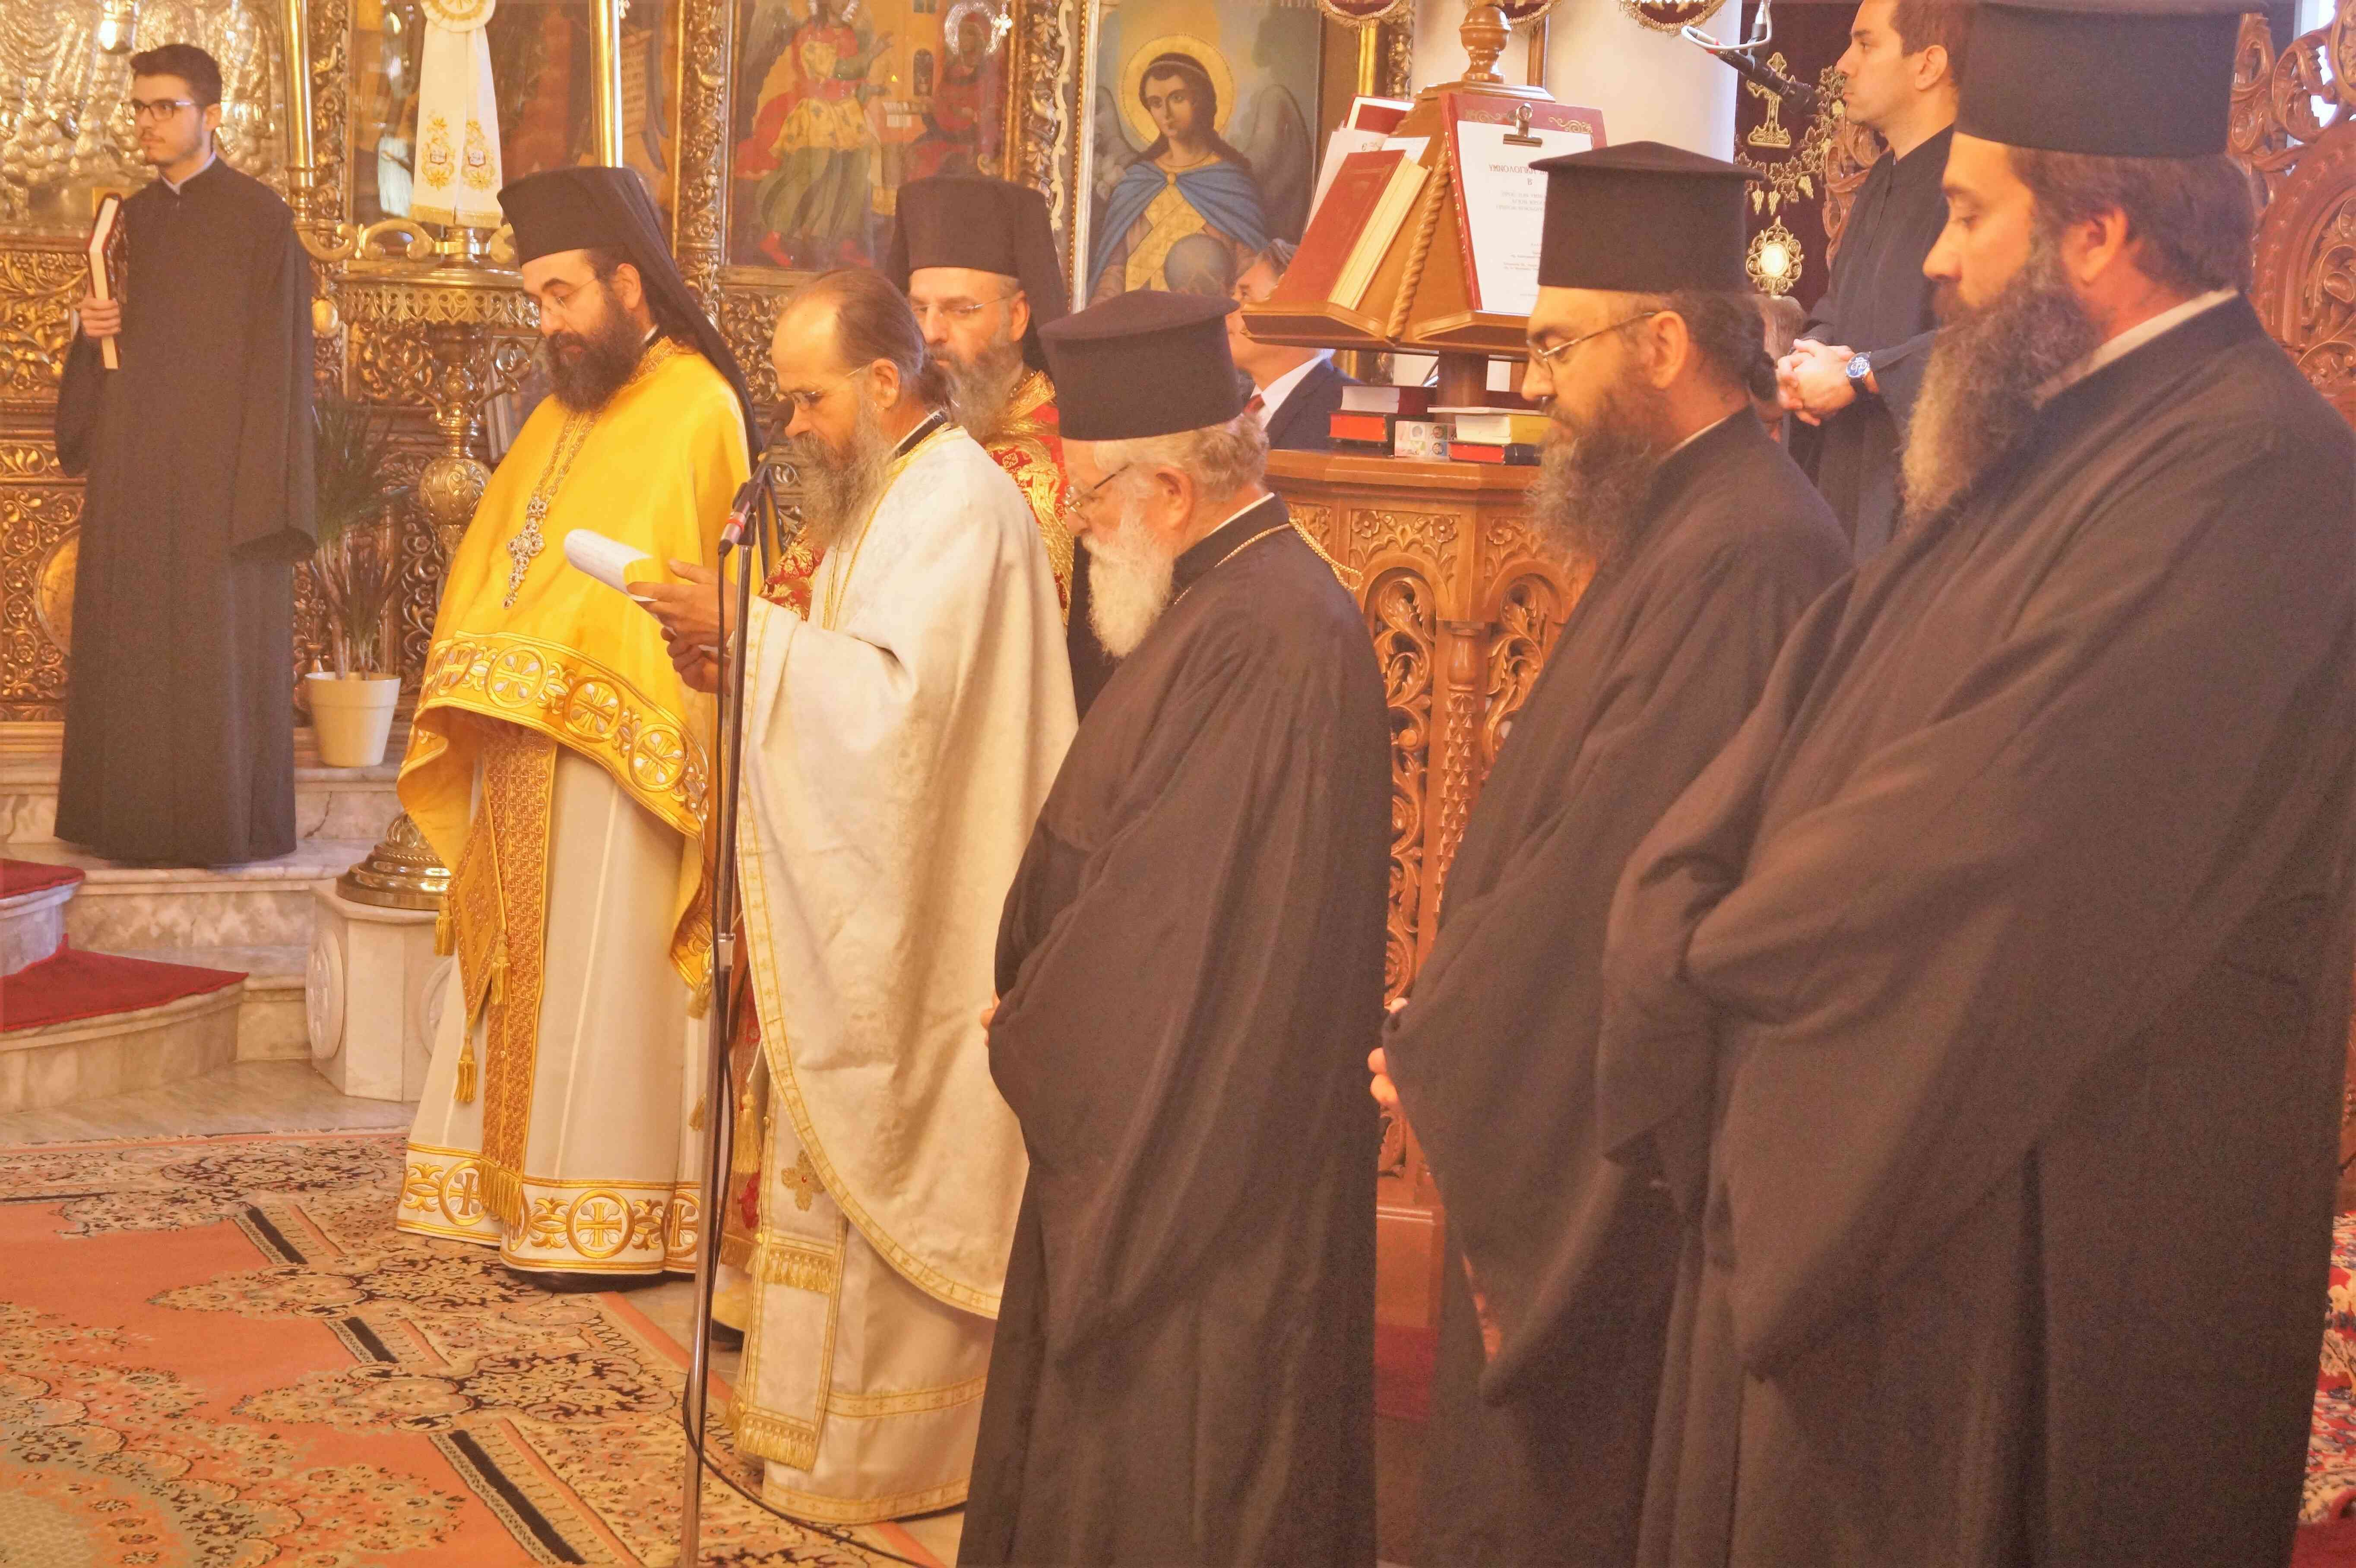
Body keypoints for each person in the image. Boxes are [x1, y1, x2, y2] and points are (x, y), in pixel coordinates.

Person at [1600, 4, 2356, 1562]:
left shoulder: (2257, 468)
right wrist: (1677, 877)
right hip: (1922, 1128)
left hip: (2069, 1203)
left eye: (1965, 212)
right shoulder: (2048, 436)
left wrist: (1721, 949)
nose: (1934, 261)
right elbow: (1825, 682)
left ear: (2099, 233)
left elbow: (2007, 819)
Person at [1366, 144, 1848, 1565]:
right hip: (1558, 1065)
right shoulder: (1690, 514)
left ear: (1662, 345)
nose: (1538, 386)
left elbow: (1625, 858)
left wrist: (1454, 1032)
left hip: (1612, 1127)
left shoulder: (1750, 545)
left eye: (1556, 348)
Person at [960, 290, 1387, 1566]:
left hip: (1204, 1182)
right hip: (1181, 1135)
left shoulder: (1270, 634)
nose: (1076, 520)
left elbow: (1180, 933)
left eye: (1089, 494)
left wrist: (1037, 1020)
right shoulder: (1226, 603)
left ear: (1169, 491)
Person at [642, 267, 1074, 1523]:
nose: (792, 424)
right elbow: (846, 681)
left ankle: (890, 1452)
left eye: (810, 398)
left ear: (885, 382)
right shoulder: (887, 489)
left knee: (897, 1134)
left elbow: (898, 718)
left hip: (934, 910)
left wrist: (748, 634)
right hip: (879, 884)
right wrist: (735, 658)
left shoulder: (957, 502)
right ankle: (811, 1436)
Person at [393, 168, 760, 1281]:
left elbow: (703, 592)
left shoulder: (698, 404)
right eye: (537, 298)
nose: (547, 321)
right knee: (519, 967)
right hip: (522, 741)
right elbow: (506, 560)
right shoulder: (562, 409)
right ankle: (501, 1189)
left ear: (629, 284)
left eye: (563, 294)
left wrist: (567, 679)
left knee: (607, 970)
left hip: (623, 759)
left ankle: (604, 1204)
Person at [54, 42, 314, 866]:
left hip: (223, 477)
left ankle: (218, 827)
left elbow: (282, 360)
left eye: (166, 107)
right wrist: (88, 333)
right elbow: (112, 348)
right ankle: (127, 827)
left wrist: (260, 489)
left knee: (215, 654)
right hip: (136, 467)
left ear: (213, 114)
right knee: (134, 643)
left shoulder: (260, 218)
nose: (148, 122)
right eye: (140, 107)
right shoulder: (125, 220)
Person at [887, 174, 1119, 714]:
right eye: (918, 309)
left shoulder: (1070, 457)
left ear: (1017, 316)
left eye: (959, 309)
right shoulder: (893, 439)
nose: (931, 333)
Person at [1778, 0, 1972, 561]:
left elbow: (1989, 341)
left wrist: (1859, 375)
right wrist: (1805, 360)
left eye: (1865, 44)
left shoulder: (1973, 183)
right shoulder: (1884, 174)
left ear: (1927, 65)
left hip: (1922, 509)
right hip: (1846, 481)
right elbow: (1839, 306)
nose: (1843, 63)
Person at [1088, 52, 1271, 302]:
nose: (1166, 113)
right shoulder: (1137, 182)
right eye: (1156, 103)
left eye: (1177, 98)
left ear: (1200, 100)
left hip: (1210, 322)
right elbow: (1114, 271)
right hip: (1138, 322)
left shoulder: (1231, 184)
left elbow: (1249, 270)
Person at [1229, 239, 1358, 451]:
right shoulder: (1225, 411)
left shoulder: (1349, 411)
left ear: (1296, 314)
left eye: (1245, 295)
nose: (1228, 309)